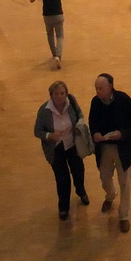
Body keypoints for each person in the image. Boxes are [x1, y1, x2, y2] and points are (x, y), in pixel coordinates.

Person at [89, 73, 131, 234]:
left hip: (122, 148)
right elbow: (92, 123)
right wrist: (95, 133)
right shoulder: (95, 102)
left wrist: (122, 133)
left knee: (125, 182)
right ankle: (110, 195)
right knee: (104, 178)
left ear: (110, 86)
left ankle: (123, 216)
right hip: (104, 148)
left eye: (100, 88)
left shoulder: (123, 100)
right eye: (96, 88)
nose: (97, 92)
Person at [33, 81, 90, 220]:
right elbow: (37, 131)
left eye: (62, 93)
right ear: (51, 95)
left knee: (78, 170)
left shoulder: (71, 102)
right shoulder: (44, 111)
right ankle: (63, 207)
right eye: (56, 94)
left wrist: (79, 124)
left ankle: (81, 191)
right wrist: (49, 135)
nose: (60, 97)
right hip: (56, 149)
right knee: (62, 179)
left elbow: (80, 114)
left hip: (72, 145)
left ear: (66, 94)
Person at [29, 0, 74, 68]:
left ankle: (54, 54)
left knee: (50, 35)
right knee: (60, 35)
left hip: (47, 16)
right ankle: (58, 55)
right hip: (58, 14)